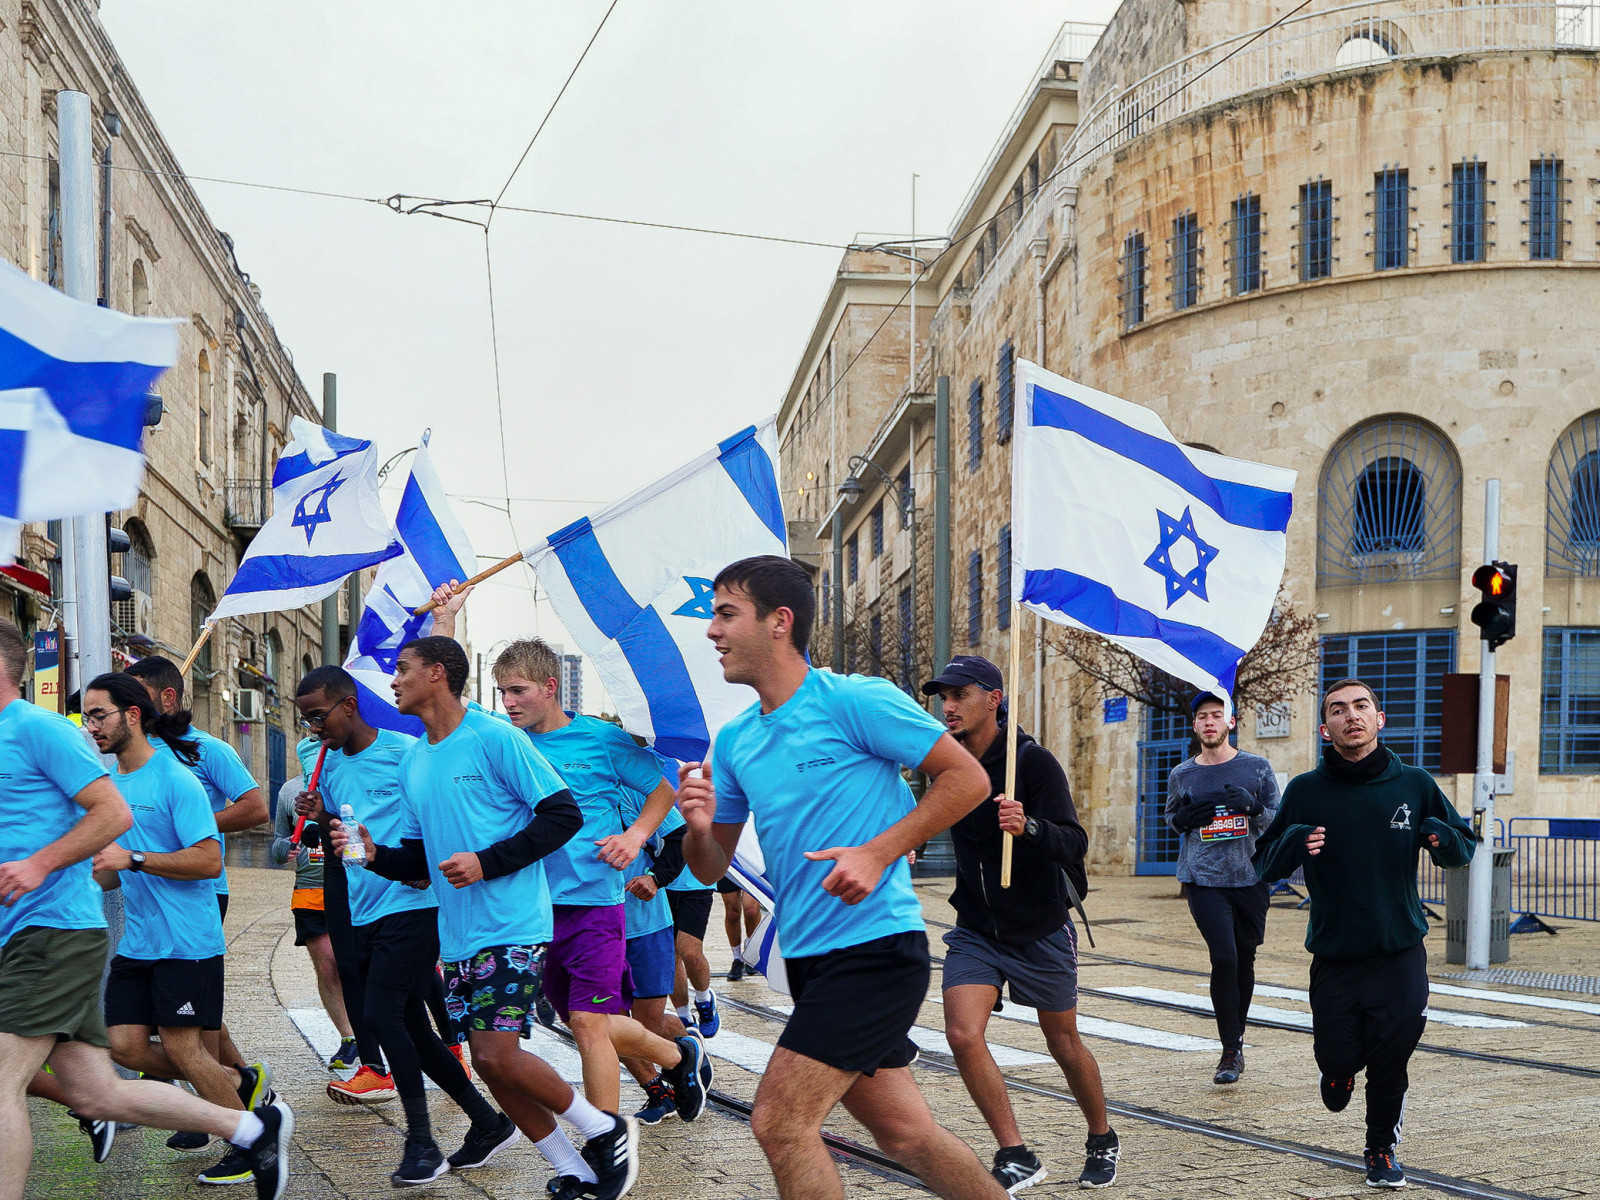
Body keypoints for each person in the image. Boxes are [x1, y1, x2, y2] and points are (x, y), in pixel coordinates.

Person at [677, 555, 1007, 1200]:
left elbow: (969, 779)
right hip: (808, 958)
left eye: (724, 614)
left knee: (779, 1122)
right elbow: (710, 867)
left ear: (780, 621)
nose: (711, 631)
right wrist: (696, 825)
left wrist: (878, 852)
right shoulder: (737, 739)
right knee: (906, 1136)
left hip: (875, 950)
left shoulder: (854, 699)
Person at [330, 636, 640, 1200]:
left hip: (512, 922)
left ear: (439, 675)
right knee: (491, 1064)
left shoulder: (495, 737)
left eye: (403, 669)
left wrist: (487, 863)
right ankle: (574, 1168)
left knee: (497, 1054)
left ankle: (604, 1129)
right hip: (459, 934)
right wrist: (376, 855)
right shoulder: (417, 759)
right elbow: (422, 863)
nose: (393, 681)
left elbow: (562, 814)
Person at [0, 626, 291, 1200]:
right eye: (88, 716)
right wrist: (89, 868)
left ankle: (240, 1105)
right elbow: (95, 852)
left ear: (134, 714)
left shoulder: (169, 770)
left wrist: (59, 866)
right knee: (112, 1074)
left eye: (100, 715)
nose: (92, 726)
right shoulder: (98, 768)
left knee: (184, 1047)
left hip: (141, 932)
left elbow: (196, 849)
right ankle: (251, 1123)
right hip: (121, 933)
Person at [296, 666, 517, 1186]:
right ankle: (487, 1122)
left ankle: (421, 1142)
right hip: (364, 904)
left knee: (380, 1015)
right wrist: (321, 814)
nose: (313, 729)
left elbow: (436, 814)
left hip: (412, 904)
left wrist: (421, 869)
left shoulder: (404, 753)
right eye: (305, 720)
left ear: (348, 705)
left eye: (318, 716)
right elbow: (350, 843)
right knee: (414, 1028)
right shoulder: (327, 765)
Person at [1254, 678, 1476, 1189]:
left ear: (1379, 719)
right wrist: (1293, 840)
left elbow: (1463, 845)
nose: (1351, 716)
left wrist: (1441, 838)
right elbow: (1263, 862)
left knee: (1391, 1058)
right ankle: (1336, 1070)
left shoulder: (1414, 784)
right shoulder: (1307, 791)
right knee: (1337, 1062)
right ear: (1324, 728)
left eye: (1361, 707)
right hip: (1335, 954)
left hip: (1399, 951)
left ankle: (1380, 1151)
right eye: (1338, 710)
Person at [479, 638, 712, 1127]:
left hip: (593, 903)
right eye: (502, 693)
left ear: (550, 686)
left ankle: (607, 1143)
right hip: (531, 909)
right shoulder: (503, 739)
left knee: (590, 1024)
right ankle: (678, 1057)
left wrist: (635, 836)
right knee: (587, 1022)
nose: (509, 702)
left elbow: (663, 790)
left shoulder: (601, 740)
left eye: (518, 690)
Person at [925, 654, 1117, 1192]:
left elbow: (1075, 843)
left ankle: (1101, 1135)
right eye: (945, 696)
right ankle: (1015, 1152)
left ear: (994, 698)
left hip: (1038, 927)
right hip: (977, 930)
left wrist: (1029, 827)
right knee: (963, 1034)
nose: (949, 705)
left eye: (960, 694)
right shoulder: (947, 761)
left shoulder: (1031, 764)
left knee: (1063, 1042)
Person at [124, 653, 265, 1115]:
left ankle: (232, 1116)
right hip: (143, 890)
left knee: (194, 1026)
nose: (130, 709)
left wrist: (193, 829)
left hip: (198, 889)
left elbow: (255, 808)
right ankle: (236, 1089)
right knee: (180, 1022)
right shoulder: (129, 753)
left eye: (136, 698)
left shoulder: (206, 749)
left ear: (167, 697)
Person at [1165, 691, 1281, 1086]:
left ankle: (1238, 1037)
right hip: (1203, 879)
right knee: (1225, 957)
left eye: (1217, 715)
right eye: (1203, 717)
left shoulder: (1257, 768)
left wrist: (1252, 808)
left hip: (1250, 877)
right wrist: (1182, 818)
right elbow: (1171, 817)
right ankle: (1229, 1049)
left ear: (1231, 722)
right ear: (1195, 725)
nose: (1210, 722)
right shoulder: (1182, 774)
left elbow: (1277, 820)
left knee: (1244, 959)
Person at [271, 743, 357, 1070]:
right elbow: (278, 845)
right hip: (309, 894)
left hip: (352, 892)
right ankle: (349, 1037)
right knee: (328, 966)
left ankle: (370, 1032)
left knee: (354, 967)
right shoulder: (290, 791)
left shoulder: (347, 783)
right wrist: (286, 849)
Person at [719, 878, 762, 982]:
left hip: (752, 864)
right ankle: (737, 958)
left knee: (751, 910)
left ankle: (750, 951)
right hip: (730, 865)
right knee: (732, 913)